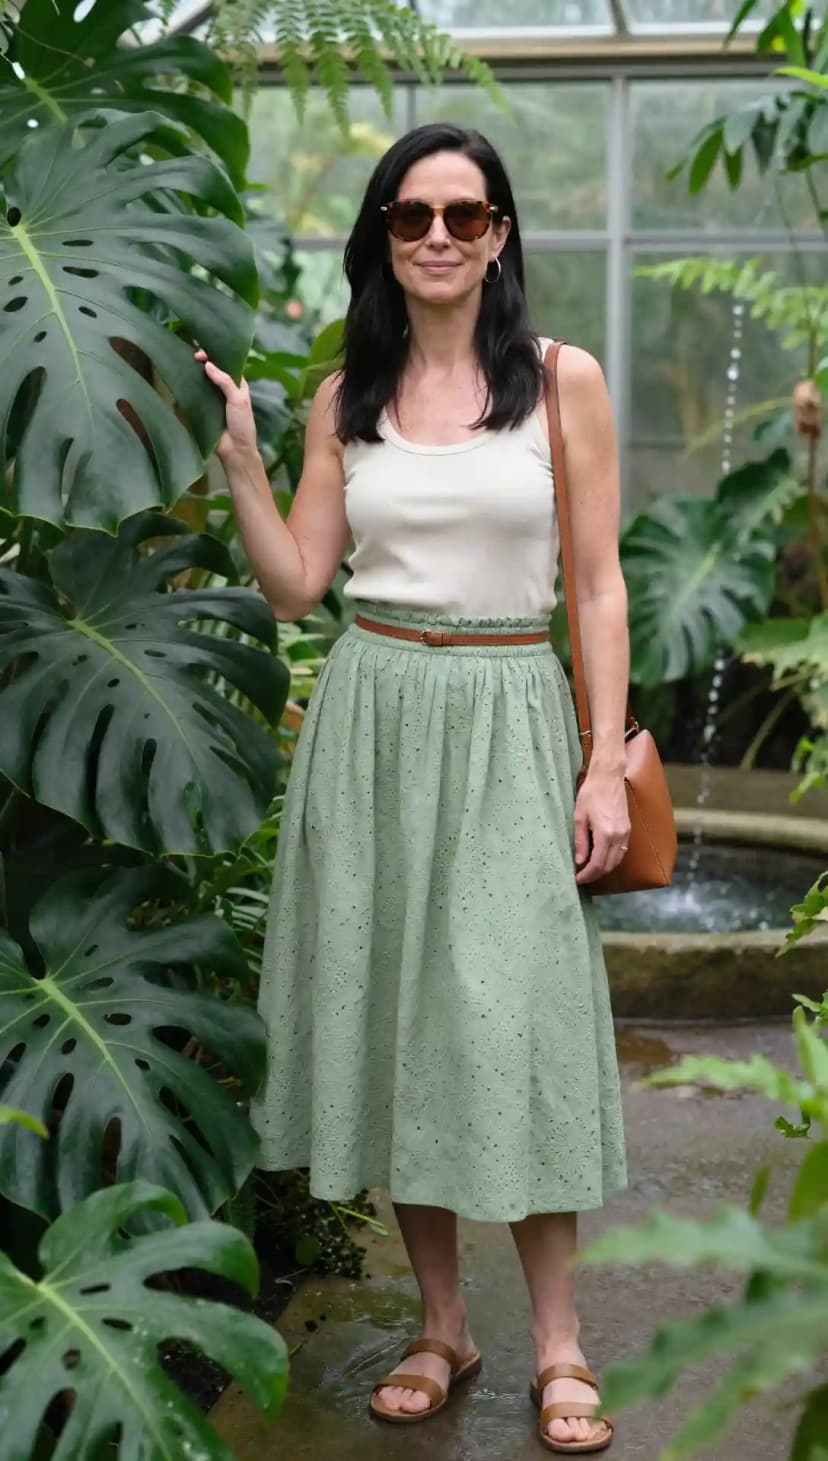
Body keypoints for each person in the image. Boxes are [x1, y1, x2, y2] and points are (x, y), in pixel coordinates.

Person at [197, 121, 629, 1456]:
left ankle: (558, 1339)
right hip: (374, 713)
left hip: (508, 715)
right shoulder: (348, 395)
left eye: (463, 212)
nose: (436, 236)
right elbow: (298, 584)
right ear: (383, 236)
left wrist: (604, 756)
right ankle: (445, 1324)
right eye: (409, 214)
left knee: (510, 1020)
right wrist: (243, 466)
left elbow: (598, 582)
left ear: (500, 232)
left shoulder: (562, 383)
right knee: (406, 1026)